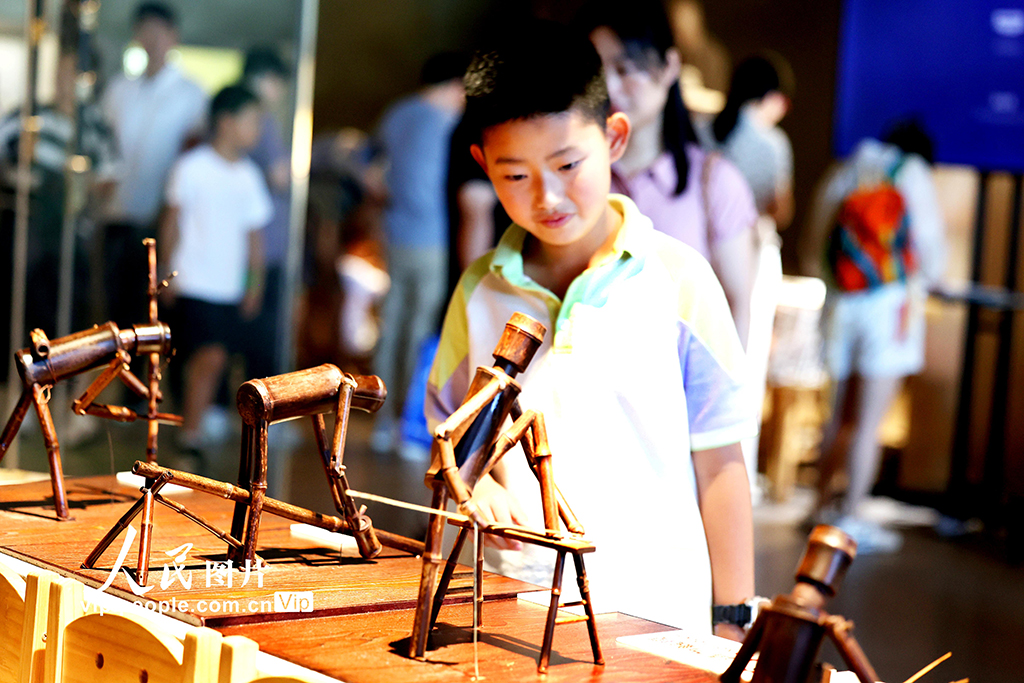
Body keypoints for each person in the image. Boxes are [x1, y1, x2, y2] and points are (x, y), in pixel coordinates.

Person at [426, 22, 757, 637]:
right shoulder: (478, 290)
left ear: (614, 137)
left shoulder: (680, 280)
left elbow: (720, 463)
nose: (547, 195)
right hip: (506, 610)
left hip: (656, 616)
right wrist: (475, 480)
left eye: (567, 163)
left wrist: (733, 620)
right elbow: (453, 434)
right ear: (482, 164)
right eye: (515, 176)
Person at [801, 121, 946, 553]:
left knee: (838, 414)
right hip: (889, 306)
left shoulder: (846, 167)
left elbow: (815, 244)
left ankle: (817, 507)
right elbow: (931, 250)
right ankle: (852, 517)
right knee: (869, 420)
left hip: (842, 303)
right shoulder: (912, 172)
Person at [582, 0, 759, 348]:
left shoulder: (715, 182)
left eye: (625, 68)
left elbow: (737, 307)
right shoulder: (577, 177)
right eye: (596, 75)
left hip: (681, 394)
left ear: (668, 66)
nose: (610, 89)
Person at [160, 85, 272, 469]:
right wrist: (165, 274)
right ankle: (190, 432)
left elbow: (255, 239)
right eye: (252, 120)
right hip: (192, 282)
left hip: (226, 288)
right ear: (226, 121)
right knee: (207, 356)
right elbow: (171, 223)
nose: (257, 129)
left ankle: (190, 430)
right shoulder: (191, 167)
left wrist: (253, 284)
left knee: (211, 359)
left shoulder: (249, 176)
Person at [369, 53, 466, 455]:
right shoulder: (448, 125)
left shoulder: (397, 114)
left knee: (390, 328)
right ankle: (405, 426)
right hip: (434, 239)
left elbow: (370, 169)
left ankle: (378, 418)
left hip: (395, 234)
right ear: (452, 85)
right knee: (419, 332)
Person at [101, 1, 206, 327]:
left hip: (161, 218)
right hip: (117, 215)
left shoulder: (191, 94)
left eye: (160, 32)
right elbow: (103, 146)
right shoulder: (119, 89)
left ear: (173, 37)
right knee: (114, 310)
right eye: (145, 31)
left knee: (155, 312)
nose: (153, 39)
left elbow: (194, 155)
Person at [239, 47, 292, 380]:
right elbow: (280, 175)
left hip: (255, 243)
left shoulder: (246, 116)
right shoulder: (261, 120)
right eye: (278, 82)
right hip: (265, 246)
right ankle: (259, 397)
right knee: (261, 323)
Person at [703, 54, 795, 229]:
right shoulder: (775, 144)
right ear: (771, 96)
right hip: (744, 238)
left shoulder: (702, 128)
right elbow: (782, 213)